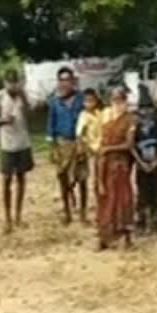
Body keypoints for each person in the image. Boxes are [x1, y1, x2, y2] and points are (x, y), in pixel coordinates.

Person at [0, 70, 33, 234]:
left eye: (15, 83)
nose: (12, 86)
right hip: (7, 144)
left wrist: (23, 98)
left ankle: (18, 216)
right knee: (7, 179)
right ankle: (7, 218)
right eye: (9, 83)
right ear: (4, 83)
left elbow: (31, 115)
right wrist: (4, 120)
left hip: (23, 142)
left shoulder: (23, 95)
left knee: (22, 178)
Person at [96, 87, 136, 250]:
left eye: (120, 99)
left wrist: (109, 149)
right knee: (104, 198)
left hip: (119, 164)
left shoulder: (130, 119)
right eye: (114, 99)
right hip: (104, 163)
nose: (117, 102)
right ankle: (105, 237)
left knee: (122, 199)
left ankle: (125, 236)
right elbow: (99, 139)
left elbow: (129, 144)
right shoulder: (105, 115)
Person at [47, 67, 85, 225]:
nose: (64, 83)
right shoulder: (55, 102)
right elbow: (51, 124)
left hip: (79, 142)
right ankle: (67, 211)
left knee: (82, 178)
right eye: (61, 80)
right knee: (62, 178)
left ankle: (83, 212)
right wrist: (52, 146)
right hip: (62, 143)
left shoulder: (81, 98)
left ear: (72, 81)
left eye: (67, 79)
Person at [131, 104, 157, 236]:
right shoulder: (136, 130)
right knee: (142, 194)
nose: (146, 117)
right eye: (143, 115)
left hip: (156, 166)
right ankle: (141, 222)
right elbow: (132, 148)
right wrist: (140, 162)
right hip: (141, 166)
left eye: (149, 114)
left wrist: (156, 162)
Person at [75, 88, 103, 225]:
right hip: (90, 152)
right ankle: (85, 212)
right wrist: (85, 150)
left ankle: (101, 210)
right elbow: (79, 135)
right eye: (86, 101)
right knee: (89, 182)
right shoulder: (83, 116)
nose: (89, 104)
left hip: (101, 150)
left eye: (91, 101)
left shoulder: (100, 114)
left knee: (100, 181)